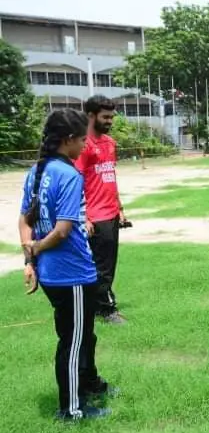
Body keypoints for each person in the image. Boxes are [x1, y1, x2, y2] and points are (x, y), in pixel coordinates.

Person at [19, 109, 117, 420]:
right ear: (67, 141)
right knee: (73, 342)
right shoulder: (69, 174)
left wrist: (30, 259)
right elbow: (61, 231)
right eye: (81, 141)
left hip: (51, 272)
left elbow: (25, 219)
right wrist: (36, 248)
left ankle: (90, 384)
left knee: (84, 334)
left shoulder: (36, 171)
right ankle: (72, 409)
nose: (85, 146)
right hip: (70, 274)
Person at [74, 95, 127, 325]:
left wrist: (121, 209)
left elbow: (110, 178)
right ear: (91, 116)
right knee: (101, 266)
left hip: (112, 212)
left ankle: (96, 304)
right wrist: (82, 216)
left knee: (108, 262)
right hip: (95, 216)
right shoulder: (81, 145)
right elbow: (75, 182)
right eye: (105, 117)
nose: (109, 121)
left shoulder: (110, 143)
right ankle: (106, 309)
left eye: (111, 117)